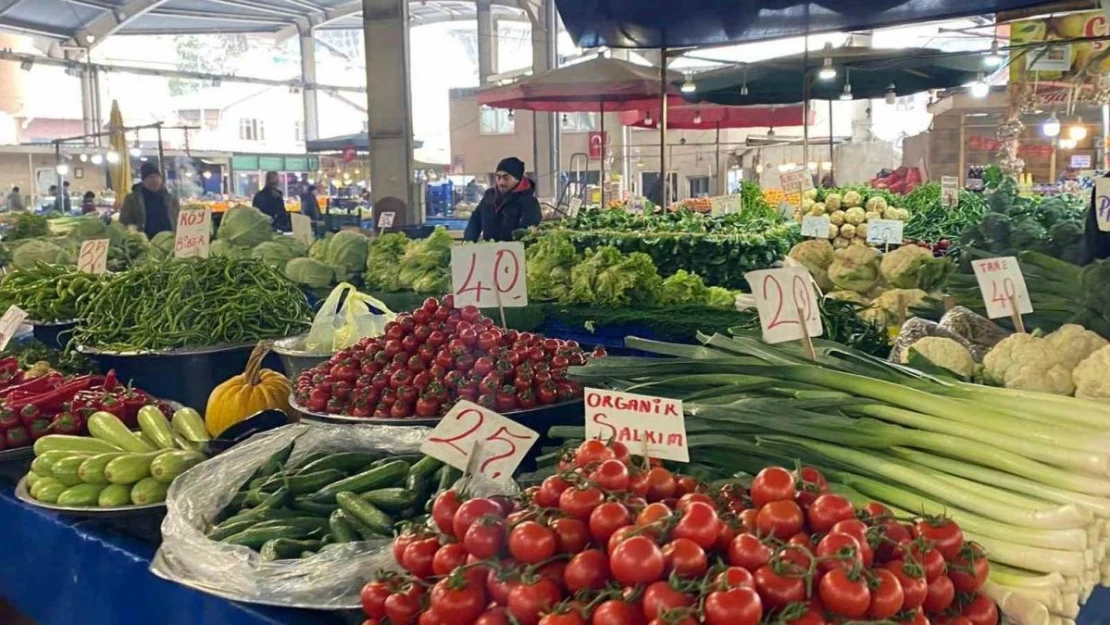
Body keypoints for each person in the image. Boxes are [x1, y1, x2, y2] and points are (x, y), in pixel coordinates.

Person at [464, 157, 542, 242]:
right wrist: (468, 242)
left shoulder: (529, 202)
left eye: (506, 178)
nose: (501, 182)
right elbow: (475, 220)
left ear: (517, 179)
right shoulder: (489, 196)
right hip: (488, 250)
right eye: (498, 177)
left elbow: (528, 233)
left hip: (514, 253)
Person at [121, 162, 180, 238]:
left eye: (156, 176)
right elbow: (124, 222)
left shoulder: (171, 198)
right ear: (143, 181)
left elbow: (178, 219)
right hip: (145, 242)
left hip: (169, 241)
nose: (154, 180)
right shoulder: (132, 199)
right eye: (150, 177)